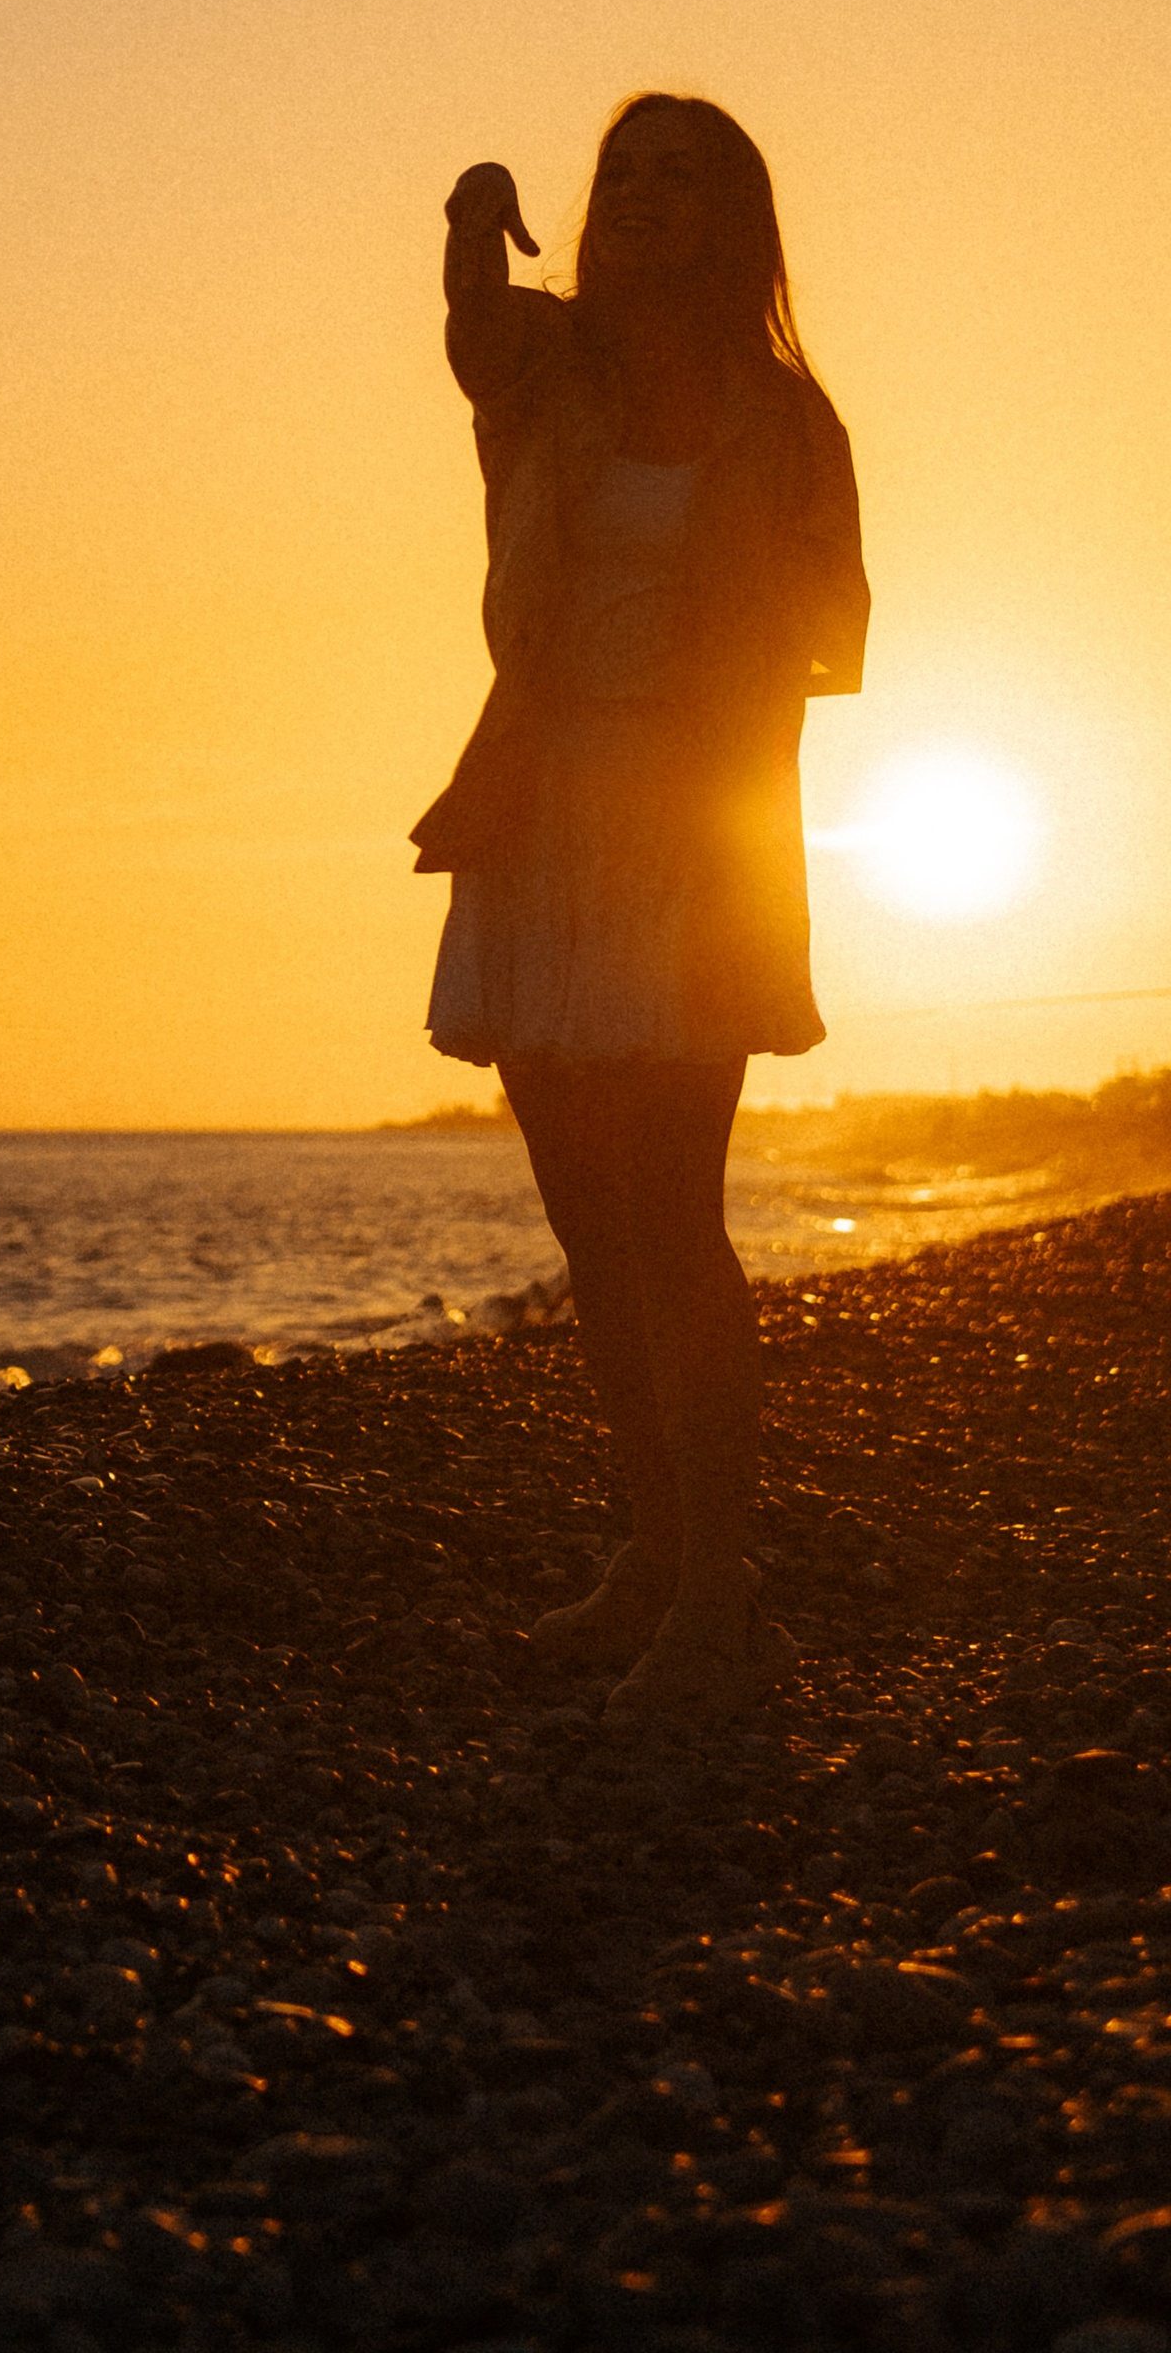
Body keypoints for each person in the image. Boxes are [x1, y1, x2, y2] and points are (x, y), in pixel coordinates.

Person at [412, 96, 865, 1722]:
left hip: (695, 830)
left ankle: (725, 1602)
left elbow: (827, 636)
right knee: (591, 1229)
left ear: (738, 216)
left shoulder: (785, 421)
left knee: (673, 1215)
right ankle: (658, 1558)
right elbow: (475, 339)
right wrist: (473, 220)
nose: (647, 195)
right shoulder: (555, 377)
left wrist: (710, 717)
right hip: (539, 807)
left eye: (687, 173)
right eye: (625, 173)